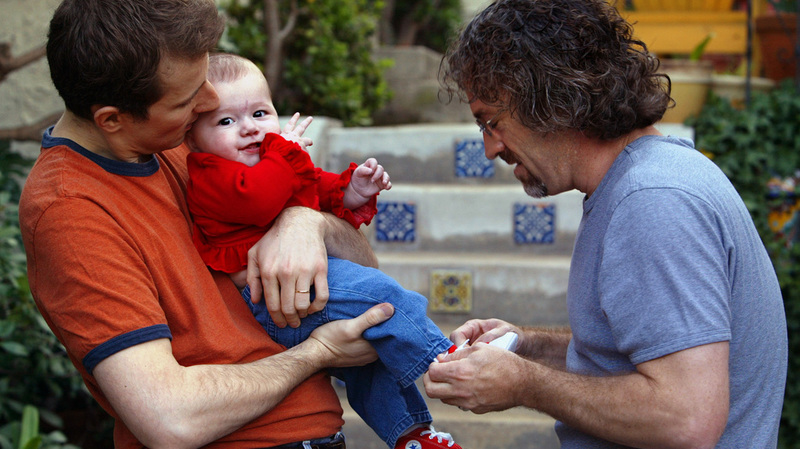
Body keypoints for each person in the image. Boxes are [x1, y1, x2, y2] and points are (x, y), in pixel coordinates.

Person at [19, 1, 397, 448]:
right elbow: (170, 420)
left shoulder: (184, 138)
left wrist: (304, 221)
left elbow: (364, 269)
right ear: (112, 120)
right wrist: (319, 354)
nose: (211, 102)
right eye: (186, 99)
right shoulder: (71, 211)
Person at [423, 1, 788, 448]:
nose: (489, 149)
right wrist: (528, 347)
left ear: (550, 97)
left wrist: (524, 383)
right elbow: (644, 356)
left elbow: (686, 419)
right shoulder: (647, 180)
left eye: (491, 122)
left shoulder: (653, 201)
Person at [183, 52, 464, 449]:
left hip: (299, 289)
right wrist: (287, 151)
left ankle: (412, 435)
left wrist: (352, 190)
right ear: (192, 138)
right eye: (226, 121)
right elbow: (260, 199)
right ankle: (449, 358)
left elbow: (314, 185)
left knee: (370, 357)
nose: (249, 129)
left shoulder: (271, 159)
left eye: (260, 114)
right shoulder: (211, 173)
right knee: (383, 296)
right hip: (267, 299)